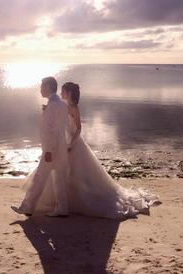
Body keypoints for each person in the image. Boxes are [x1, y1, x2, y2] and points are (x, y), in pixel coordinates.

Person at [60, 82, 161, 219]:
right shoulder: (65, 107)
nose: (61, 93)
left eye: (63, 91)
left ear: (69, 93)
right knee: (67, 172)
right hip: (65, 141)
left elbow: (78, 128)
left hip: (74, 143)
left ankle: (77, 200)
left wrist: (71, 143)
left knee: (78, 172)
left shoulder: (74, 108)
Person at [11, 77, 70, 217]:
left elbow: (51, 130)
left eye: (42, 86)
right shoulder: (61, 104)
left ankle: (27, 207)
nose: (40, 89)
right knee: (58, 178)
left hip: (52, 149)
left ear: (49, 86)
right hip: (60, 146)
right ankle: (62, 208)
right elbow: (62, 126)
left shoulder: (53, 105)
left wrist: (49, 150)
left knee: (39, 178)